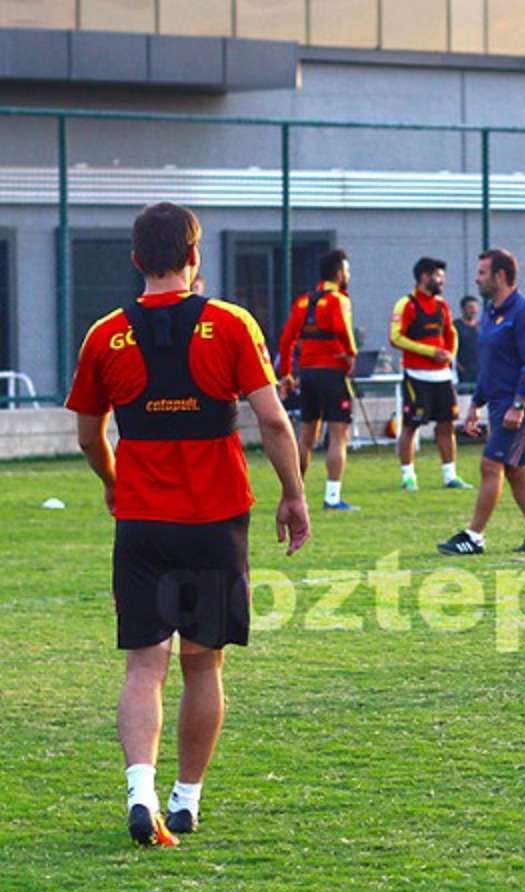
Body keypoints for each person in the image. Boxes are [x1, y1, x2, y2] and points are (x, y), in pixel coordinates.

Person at [67, 202, 310, 846]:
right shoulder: (231, 323)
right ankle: (186, 799)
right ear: (195, 256)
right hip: (215, 520)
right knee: (203, 668)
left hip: (142, 522)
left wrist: (113, 481)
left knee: (143, 668)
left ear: (136, 261)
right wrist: (293, 494)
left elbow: (89, 436)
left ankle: (139, 791)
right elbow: (273, 419)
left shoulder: (104, 334)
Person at [437, 249, 525, 556]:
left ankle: (474, 536)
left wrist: (518, 405)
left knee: (491, 465)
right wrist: (476, 404)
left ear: (500, 276)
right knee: (516, 470)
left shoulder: (524, 312)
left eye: (482, 273)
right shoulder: (491, 313)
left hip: (518, 402)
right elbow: (490, 366)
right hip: (499, 401)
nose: (477, 279)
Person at [276, 249, 360, 510]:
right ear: (339, 273)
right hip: (332, 373)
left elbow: (286, 340)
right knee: (338, 435)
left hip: (308, 374)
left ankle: (295, 494)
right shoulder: (338, 300)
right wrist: (351, 354)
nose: (349, 275)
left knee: (306, 437)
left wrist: (286, 373)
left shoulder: (303, 301)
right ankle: (332, 497)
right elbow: (341, 328)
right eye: (347, 270)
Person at [389, 257, 470, 491]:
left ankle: (450, 476)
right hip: (417, 376)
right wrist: (430, 352)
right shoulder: (406, 304)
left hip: (442, 377)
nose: (442, 281)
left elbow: (451, 333)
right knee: (411, 426)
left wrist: (449, 354)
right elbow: (396, 337)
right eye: (438, 276)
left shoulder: (442, 305)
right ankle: (408, 477)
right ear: (424, 277)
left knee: (447, 426)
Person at [454, 294, 481, 385]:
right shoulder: (455, 326)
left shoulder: (482, 326)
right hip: (462, 374)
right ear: (463, 309)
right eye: (470, 307)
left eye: (475, 307)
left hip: (479, 372)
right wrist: (458, 366)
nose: (473, 310)